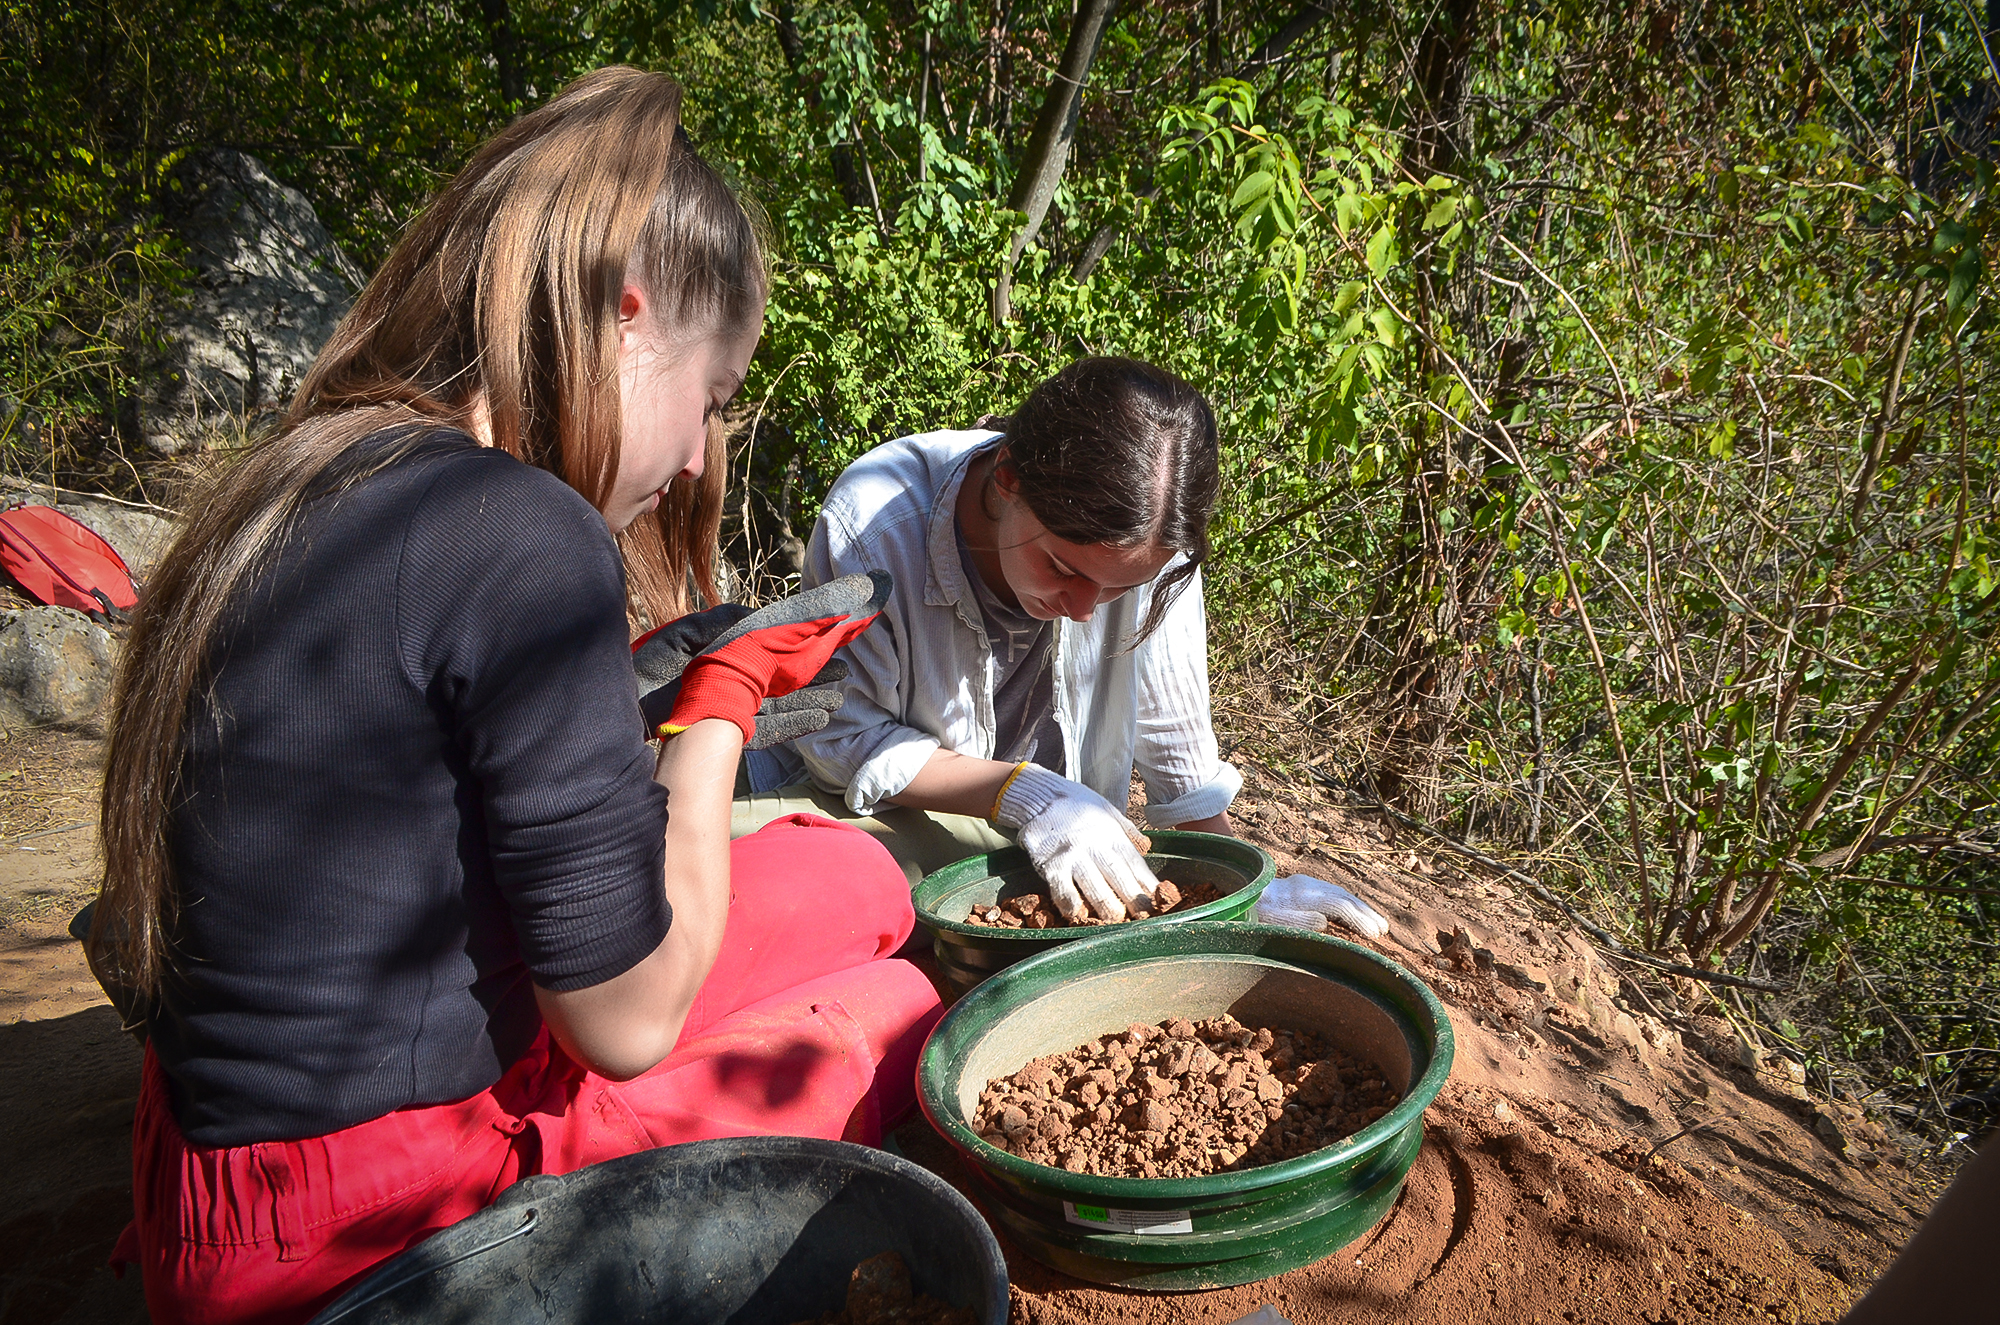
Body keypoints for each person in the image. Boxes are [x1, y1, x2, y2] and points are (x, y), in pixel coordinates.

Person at [88, 66, 939, 1324]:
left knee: (857, 873)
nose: (696, 457)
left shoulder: (313, 468)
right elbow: (626, 1024)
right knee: (899, 1002)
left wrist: (633, 688)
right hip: (382, 1228)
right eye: (709, 402)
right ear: (628, 315)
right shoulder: (524, 529)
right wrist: (716, 705)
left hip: (223, 1190)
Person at [732, 357, 1243, 924]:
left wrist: (1253, 899)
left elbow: (1180, 764)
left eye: (1119, 589)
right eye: (1062, 568)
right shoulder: (875, 527)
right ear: (1008, 480)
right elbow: (841, 743)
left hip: (1032, 842)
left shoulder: (1155, 537)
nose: (1083, 610)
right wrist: (1027, 794)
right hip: (863, 809)